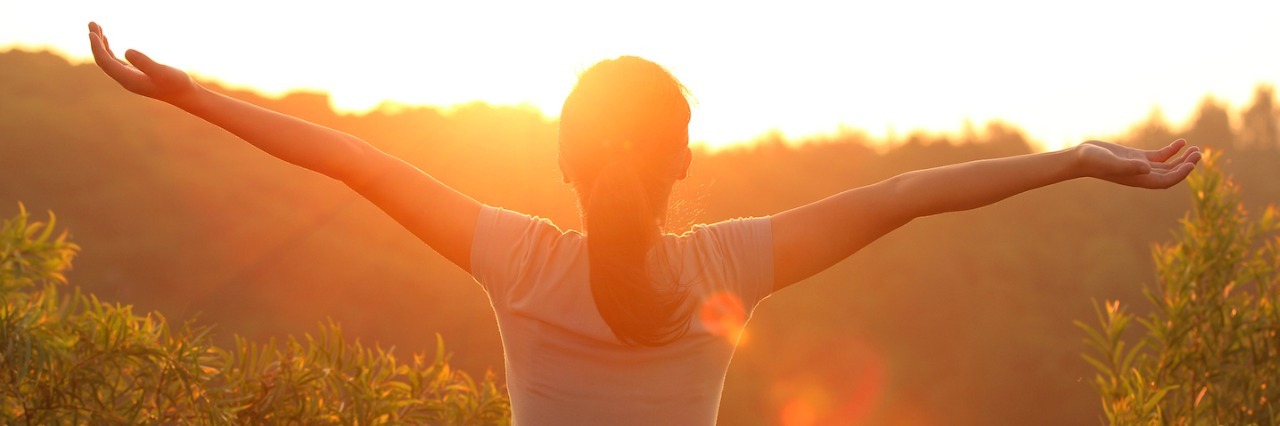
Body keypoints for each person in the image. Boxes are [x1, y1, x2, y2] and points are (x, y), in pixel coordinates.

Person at [87, 22, 1201, 424]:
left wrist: (186, 95)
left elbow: (350, 160)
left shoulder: (513, 259)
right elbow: (909, 195)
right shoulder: (730, 264)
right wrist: (1076, 161)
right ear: (680, 163)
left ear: (563, 164)